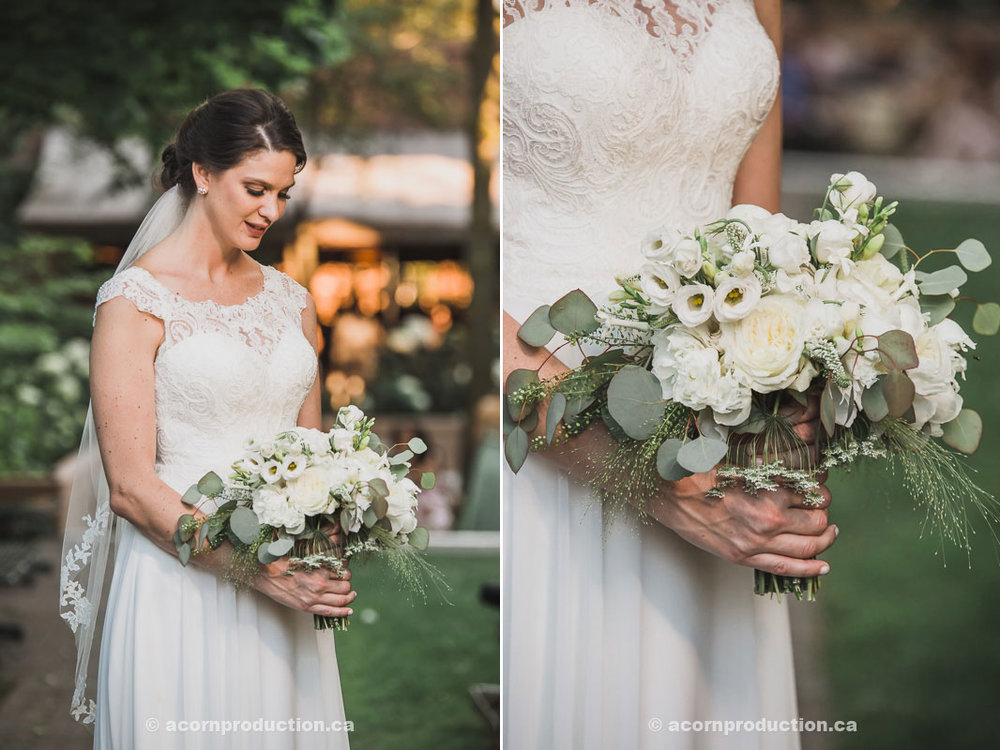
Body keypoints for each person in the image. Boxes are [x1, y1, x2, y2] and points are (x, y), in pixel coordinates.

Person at [502, 2, 837, 748]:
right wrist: (655, 474)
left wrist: (784, 400)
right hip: (550, 421)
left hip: (714, 426)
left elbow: (758, 234)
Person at [59, 89, 355, 748]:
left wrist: (330, 528)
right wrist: (261, 570)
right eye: (255, 188)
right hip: (179, 584)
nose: (270, 210)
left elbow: (312, 451)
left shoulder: (293, 301)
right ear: (202, 173)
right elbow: (132, 489)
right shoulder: (133, 303)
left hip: (287, 589)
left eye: (283, 192)